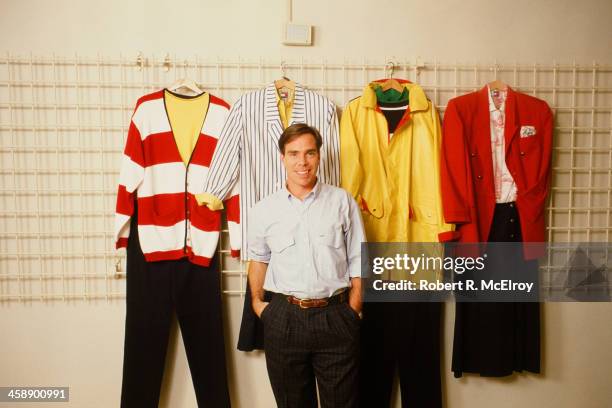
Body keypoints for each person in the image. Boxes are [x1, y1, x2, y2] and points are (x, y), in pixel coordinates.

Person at [247, 123, 366, 408]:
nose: (302, 162)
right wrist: (258, 304)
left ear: (319, 156)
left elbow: (359, 259)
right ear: (282, 157)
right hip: (284, 319)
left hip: (336, 317)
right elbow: (259, 259)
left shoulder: (341, 201)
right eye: (294, 154)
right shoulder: (264, 209)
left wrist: (354, 309)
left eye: (310, 153)